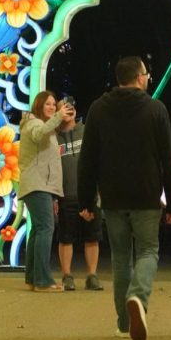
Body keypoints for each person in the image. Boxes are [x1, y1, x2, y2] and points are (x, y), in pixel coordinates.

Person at [78, 56, 171, 340]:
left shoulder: (98, 109)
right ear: (138, 77)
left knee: (121, 258)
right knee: (148, 251)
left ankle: (124, 324)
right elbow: (169, 159)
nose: (148, 78)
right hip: (146, 195)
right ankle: (138, 295)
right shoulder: (155, 109)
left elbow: (88, 158)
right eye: (146, 74)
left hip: (112, 196)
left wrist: (86, 200)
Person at [18, 91, 75, 292]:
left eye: (54, 104)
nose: (52, 107)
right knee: (45, 229)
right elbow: (38, 134)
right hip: (37, 184)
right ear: (39, 106)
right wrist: (59, 116)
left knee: (38, 230)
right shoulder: (34, 124)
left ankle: (33, 278)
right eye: (48, 104)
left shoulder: (44, 126)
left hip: (39, 184)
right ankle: (42, 280)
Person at [55, 98, 104, 291]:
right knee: (65, 237)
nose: (69, 108)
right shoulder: (53, 137)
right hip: (65, 195)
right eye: (63, 106)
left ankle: (92, 276)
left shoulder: (87, 131)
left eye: (71, 105)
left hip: (90, 196)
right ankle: (67, 276)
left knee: (92, 236)